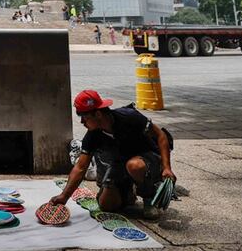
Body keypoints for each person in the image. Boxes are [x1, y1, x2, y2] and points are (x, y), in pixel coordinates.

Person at [50, 90, 175, 219]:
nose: (82, 122)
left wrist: (167, 168)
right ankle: (128, 193)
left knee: (134, 165)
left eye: (85, 118)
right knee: (106, 204)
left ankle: (149, 197)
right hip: (120, 164)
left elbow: (161, 136)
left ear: (98, 114)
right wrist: (64, 197)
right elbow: (80, 167)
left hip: (147, 159)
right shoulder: (93, 135)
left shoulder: (129, 117)